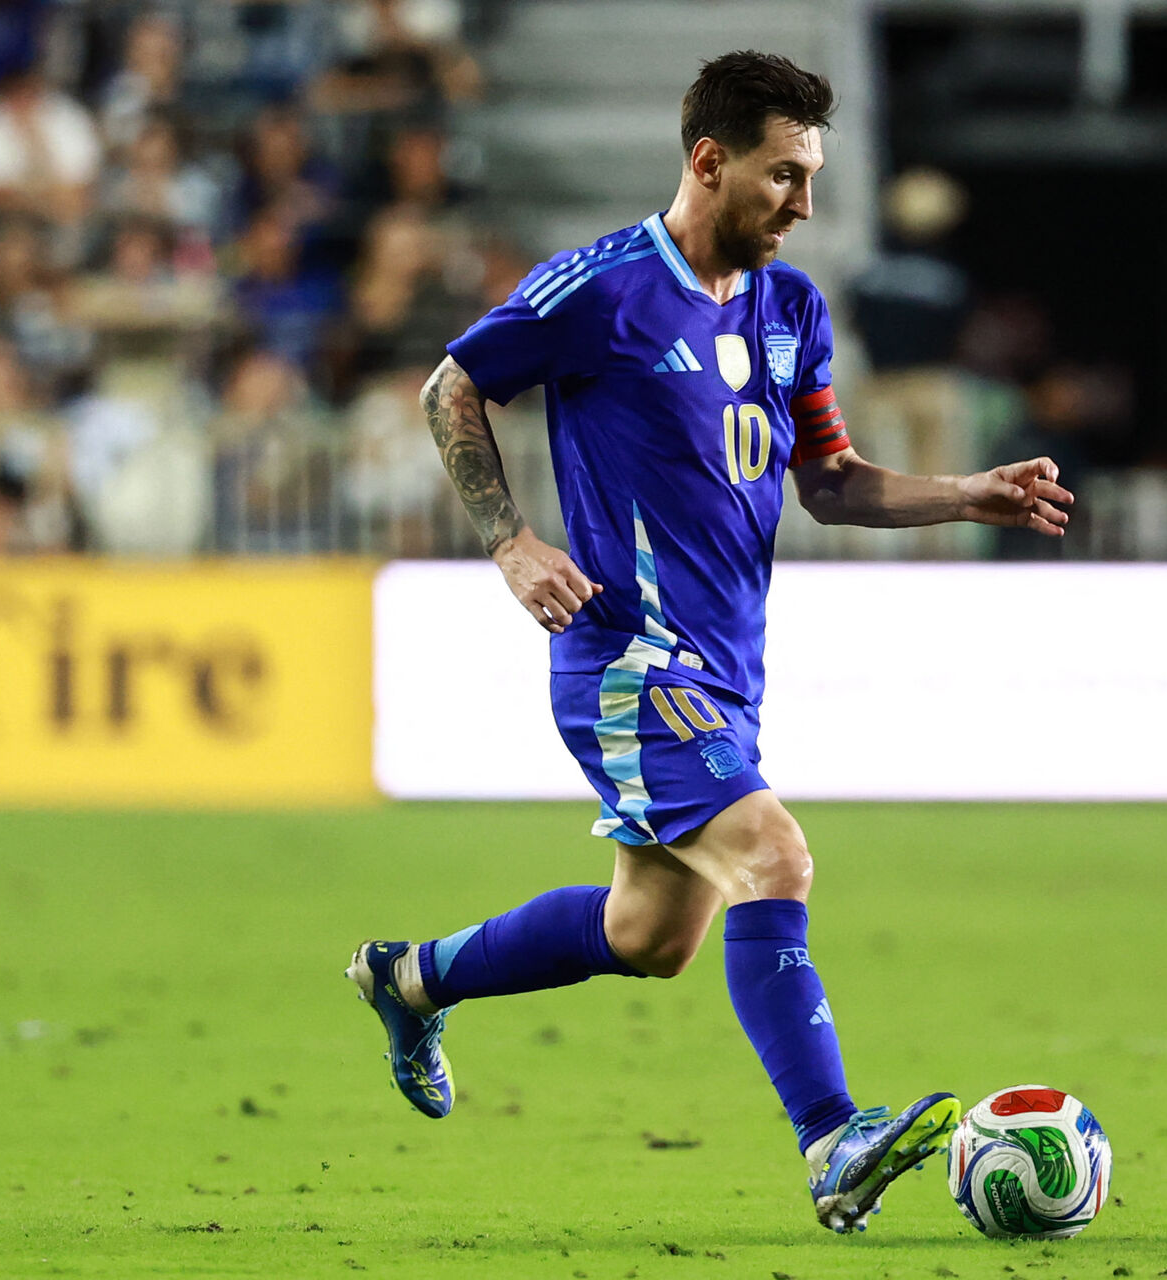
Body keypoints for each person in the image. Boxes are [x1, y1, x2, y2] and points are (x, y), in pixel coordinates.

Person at [343, 51, 1072, 1235]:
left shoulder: (795, 310)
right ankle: (834, 1139)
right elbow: (450, 389)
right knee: (774, 855)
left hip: (729, 671)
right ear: (709, 161)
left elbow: (829, 483)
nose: (805, 203)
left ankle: (410, 976)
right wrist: (512, 542)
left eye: (813, 176)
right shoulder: (603, 290)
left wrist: (965, 493)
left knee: (649, 934)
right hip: (628, 661)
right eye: (785, 176)